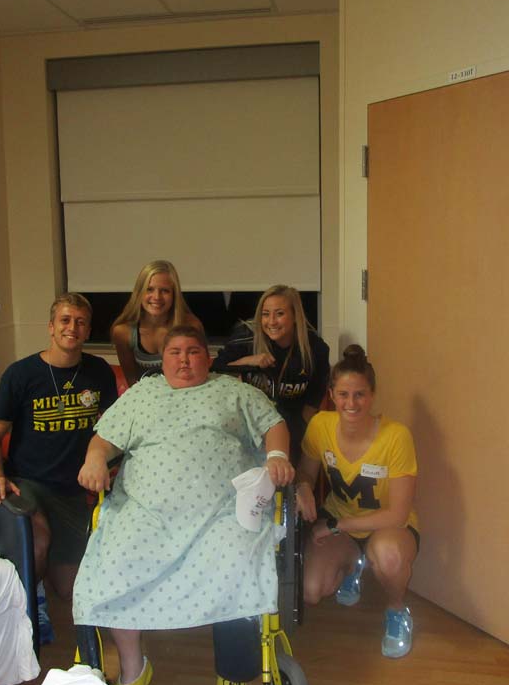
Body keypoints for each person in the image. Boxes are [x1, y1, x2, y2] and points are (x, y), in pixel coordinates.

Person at [74, 325, 293, 685]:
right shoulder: (141, 395)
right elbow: (103, 440)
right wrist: (95, 459)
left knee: (238, 559)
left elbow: (274, 424)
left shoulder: (235, 392)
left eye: (193, 351)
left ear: (208, 358)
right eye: (175, 352)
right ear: (162, 361)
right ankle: (133, 669)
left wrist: (276, 455)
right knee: (115, 560)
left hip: (223, 511)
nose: (184, 360)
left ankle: (234, 671)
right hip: (145, 511)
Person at [0, 293, 118, 627]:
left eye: (81, 322)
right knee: (37, 542)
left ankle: (39, 583)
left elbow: (113, 427)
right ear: (51, 327)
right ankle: (24, 614)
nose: (73, 328)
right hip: (28, 482)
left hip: (73, 491)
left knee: (68, 590)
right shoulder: (21, 374)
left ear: (88, 331)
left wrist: (106, 464)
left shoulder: (98, 371)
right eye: (65, 320)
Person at [295, 345, 419, 659]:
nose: (351, 403)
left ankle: (396, 610)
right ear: (332, 395)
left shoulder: (396, 436)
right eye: (343, 394)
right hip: (342, 522)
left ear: (372, 395)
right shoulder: (320, 425)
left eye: (360, 394)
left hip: (387, 526)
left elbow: (398, 514)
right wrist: (304, 486)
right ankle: (354, 564)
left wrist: (336, 525)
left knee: (389, 557)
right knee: (311, 591)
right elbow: (306, 472)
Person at [211, 285, 329, 463]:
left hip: (291, 421)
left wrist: (302, 430)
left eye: (279, 314)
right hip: (251, 421)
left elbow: (315, 394)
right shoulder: (246, 337)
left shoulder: (314, 347)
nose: (271, 321)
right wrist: (248, 361)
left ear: (295, 316)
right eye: (266, 314)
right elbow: (216, 369)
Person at [110, 260, 202, 386]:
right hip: (147, 396)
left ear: (174, 294)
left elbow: (201, 372)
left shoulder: (191, 326)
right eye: (149, 289)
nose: (157, 297)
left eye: (165, 291)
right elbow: (132, 384)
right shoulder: (123, 332)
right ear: (139, 292)